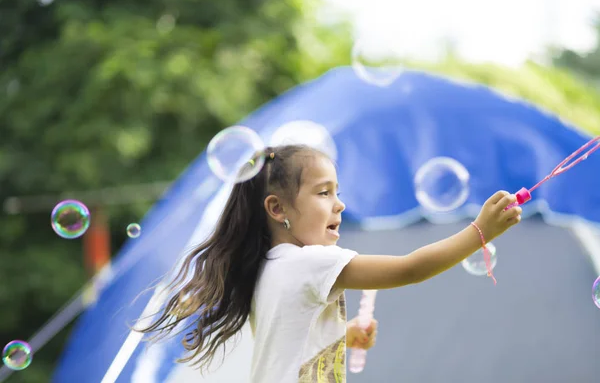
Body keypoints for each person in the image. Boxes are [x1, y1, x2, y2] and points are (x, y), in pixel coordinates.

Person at [136, 144, 522, 382]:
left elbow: (293, 340)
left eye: (337, 192)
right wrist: (479, 231)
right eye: (324, 193)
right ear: (278, 209)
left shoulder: (273, 266)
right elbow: (410, 269)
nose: (339, 204)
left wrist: (345, 335)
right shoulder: (309, 263)